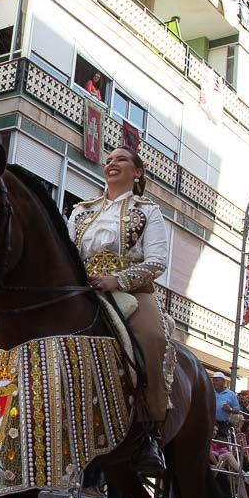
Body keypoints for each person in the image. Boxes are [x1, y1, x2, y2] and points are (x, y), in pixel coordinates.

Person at [67, 145, 170, 471]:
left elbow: (157, 262)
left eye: (121, 159)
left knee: (152, 338)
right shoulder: (81, 210)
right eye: (109, 160)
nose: (112, 163)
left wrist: (118, 280)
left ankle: (149, 430)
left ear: (137, 172)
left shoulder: (148, 210)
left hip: (131, 291)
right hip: (83, 289)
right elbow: (68, 254)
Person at [212, 371, 241, 440]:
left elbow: (237, 410)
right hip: (211, 422)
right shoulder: (210, 392)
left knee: (221, 443)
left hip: (223, 424)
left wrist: (229, 409)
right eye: (213, 381)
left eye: (217, 380)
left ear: (223, 381)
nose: (214, 383)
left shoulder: (231, 394)